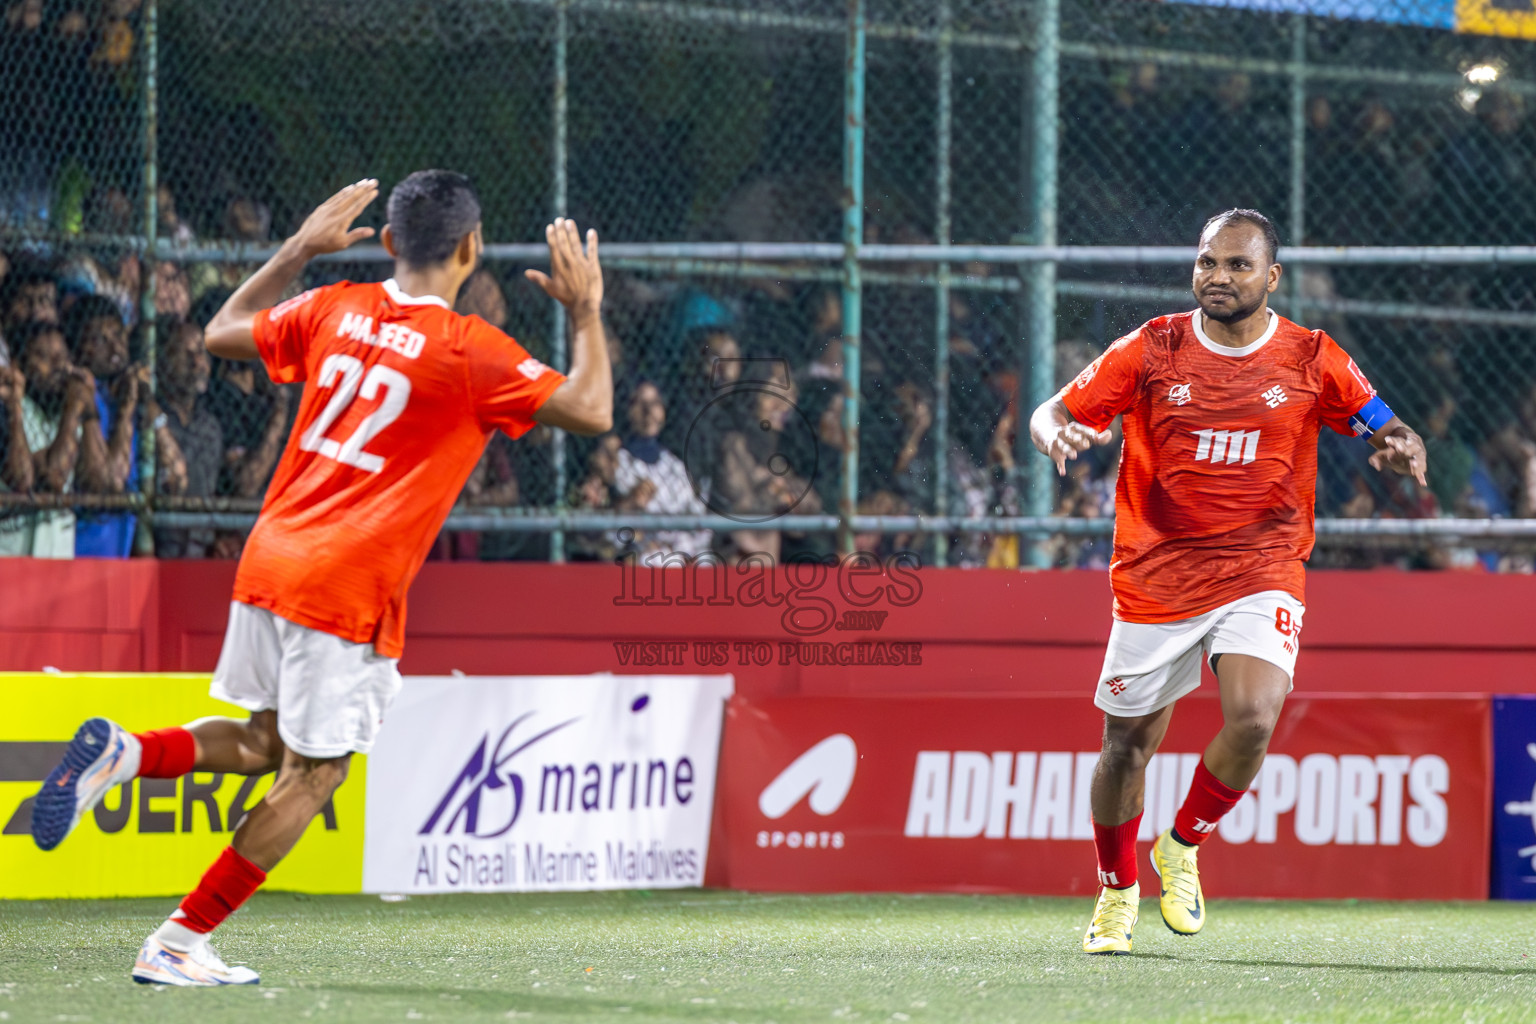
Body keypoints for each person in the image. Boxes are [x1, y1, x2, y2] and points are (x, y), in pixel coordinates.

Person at [29, 171, 611, 985]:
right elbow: (592, 409)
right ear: (472, 249)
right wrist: (584, 310)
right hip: (347, 584)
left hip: (271, 557)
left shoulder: (335, 306)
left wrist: (298, 249)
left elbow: (222, 330)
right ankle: (179, 941)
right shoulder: (473, 349)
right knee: (317, 773)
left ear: (388, 242)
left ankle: (123, 754)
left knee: (265, 744)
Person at [1028, 209, 1427, 956]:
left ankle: (1181, 845)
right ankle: (1116, 889)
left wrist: (1403, 446)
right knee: (1126, 747)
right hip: (1157, 575)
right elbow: (1050, 411)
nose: (1218, 276)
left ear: (1271, 277)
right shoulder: (1151, 348)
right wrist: (1059, 434)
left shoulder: (1313, 356)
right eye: (1208, 262)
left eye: (1238, 265)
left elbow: (1387, 424)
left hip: (1262, 566)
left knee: (1253, 716)